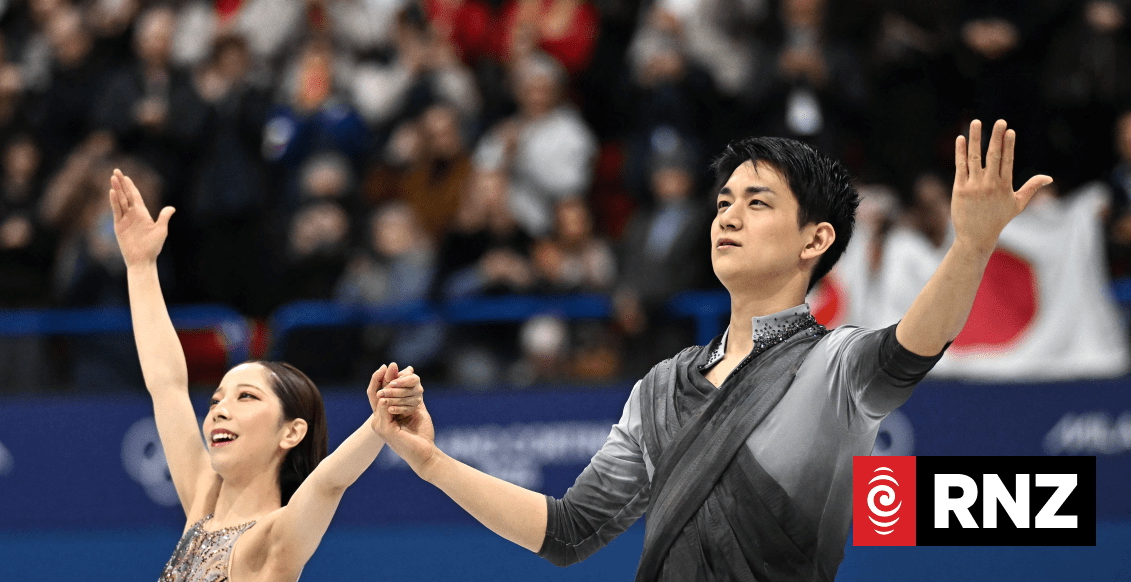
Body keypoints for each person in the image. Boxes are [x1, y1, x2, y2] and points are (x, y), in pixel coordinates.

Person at [371, 120, 1053, 580]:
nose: (727, 215)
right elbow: (569, 531)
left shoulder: (835, 366)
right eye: (724, 202)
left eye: (757, 203)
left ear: (815, 240)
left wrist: (971, 245)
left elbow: (915, 344)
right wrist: (430, 461)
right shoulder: (660, 387)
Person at [107, 169, 423, 582]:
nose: (219, 409)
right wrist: (141, 266)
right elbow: (166, 384)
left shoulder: (276, 536)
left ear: (291, 432)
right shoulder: (202, 501)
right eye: (217, 399)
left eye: (246, 397)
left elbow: (329, 482)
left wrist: (378, 425)